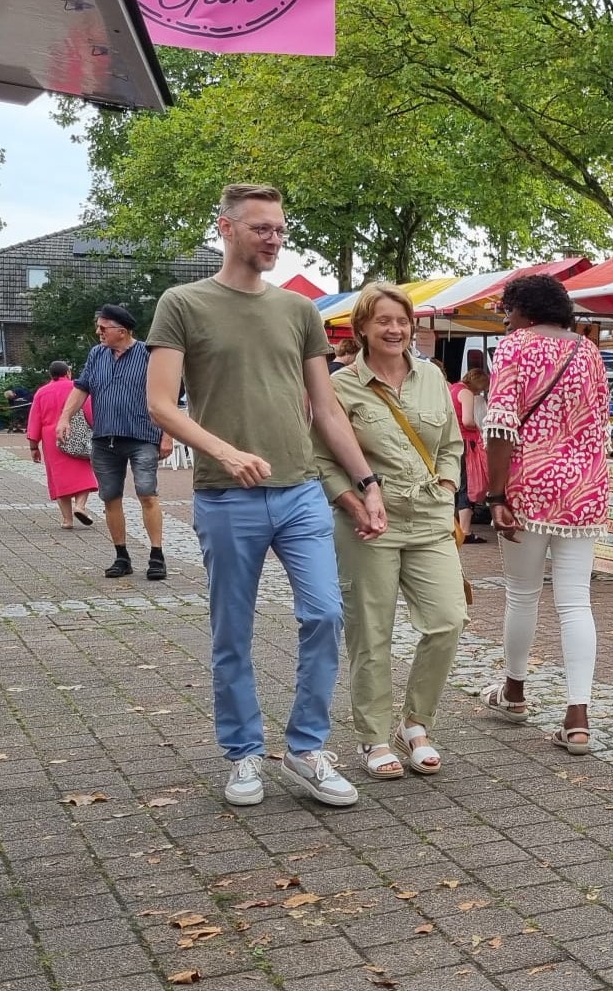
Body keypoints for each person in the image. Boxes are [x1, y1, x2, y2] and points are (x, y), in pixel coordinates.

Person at [146, 183, 388, 809]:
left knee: (325, 614)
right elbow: (160, 404)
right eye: (261, 228)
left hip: (302, 491)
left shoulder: (299, 311)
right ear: (225, 228)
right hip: (227, 496)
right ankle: (243, 753)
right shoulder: (183, 303)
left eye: (280, 229)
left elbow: (326, 409)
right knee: (233, 631)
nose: (274, 239)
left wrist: (365, 483)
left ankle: (306, 749)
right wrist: (225, 452)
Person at [313, 283, 467, 781]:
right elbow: (322, 458)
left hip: (429, 518)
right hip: (367, 525)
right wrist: (352, 502)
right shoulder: (339, 386)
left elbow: (451, 443)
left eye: (402, 321)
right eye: (383, 320)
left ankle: (415, 723)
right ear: (361, 327)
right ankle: (374, 736)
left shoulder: (432, 376)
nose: (395, 329)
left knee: (448, 620)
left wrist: (448, 485)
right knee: (371, 632)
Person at [478, 276, 609, 755]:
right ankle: (578, 717)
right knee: (575, 601)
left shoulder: (515, 347)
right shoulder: (589, 352)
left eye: (507, 311)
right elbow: (598, 425)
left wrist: (495, 495)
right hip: (584, 487)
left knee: (522, 593)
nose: (505, 321)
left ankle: (514, 692)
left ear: (524, 311)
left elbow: (500, 426)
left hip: (527, 486)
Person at [62, 305, 173, 580]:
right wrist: (64, 417)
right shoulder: (96, 354)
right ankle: (121, 556)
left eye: (103, 328)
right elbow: (81, 388)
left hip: (142, 436)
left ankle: (156, 556)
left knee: (147, 493)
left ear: (122, 331)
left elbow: (166, 395)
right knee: (110, 497)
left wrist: (168, 434)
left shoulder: (149, 354)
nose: (98, 332)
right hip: (104, 438)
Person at [27, 361, 96, 530]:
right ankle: (80, 506)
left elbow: (34, 420)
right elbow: (90, 411)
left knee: (59, 479)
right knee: (83, 473)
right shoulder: (78, 388)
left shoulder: (41, 393)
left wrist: (33, 446)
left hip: (52, 438)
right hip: (77, 434)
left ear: (51, 375)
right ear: (68, 373)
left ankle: (67, 519)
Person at [454, 367, 489, 544]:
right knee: (468, 486)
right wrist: (480, 428)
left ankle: (454, 528)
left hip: (453, 441)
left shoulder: (452, 389)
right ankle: (465, 531)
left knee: (456, 485)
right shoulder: (466, 393)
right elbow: (467, 420)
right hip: (467, 443)